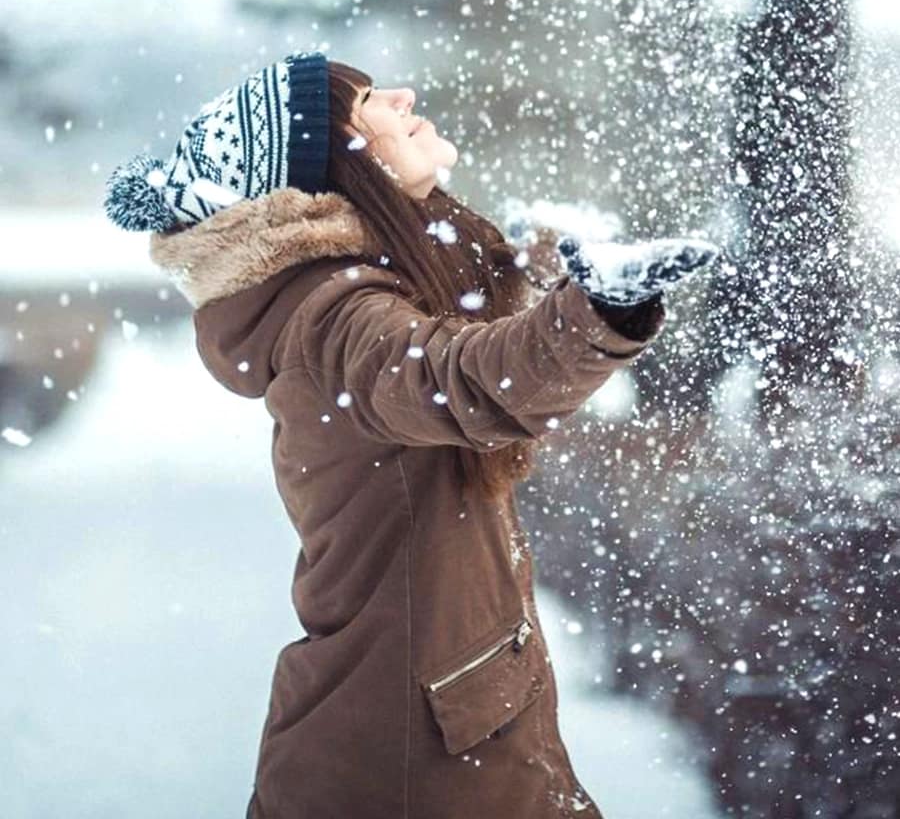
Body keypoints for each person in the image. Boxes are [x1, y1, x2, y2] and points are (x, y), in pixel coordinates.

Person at [104, 50, 718, 819]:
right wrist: (600, 310)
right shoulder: (334, 319)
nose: (403, 94)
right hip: (408, 756)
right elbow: (459, 379)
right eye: (366, 101)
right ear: (334, 174)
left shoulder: (348, 297)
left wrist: (535, 273)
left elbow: (454, 346)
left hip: (431, 725)